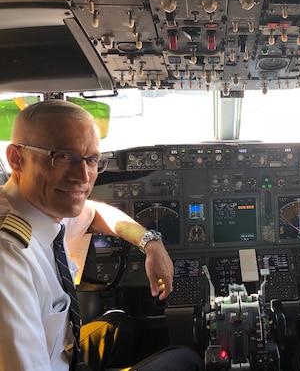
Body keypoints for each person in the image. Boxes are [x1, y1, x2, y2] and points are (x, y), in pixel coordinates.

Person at [0, 100, 203, 370]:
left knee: (119, 323)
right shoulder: (10, 258)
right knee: (186, 359)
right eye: (62, 156)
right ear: (16, 158)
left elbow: (94, 212)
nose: (82, 176)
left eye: (91, 159)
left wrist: (150, 243)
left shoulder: (39, 209)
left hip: (62, 352)